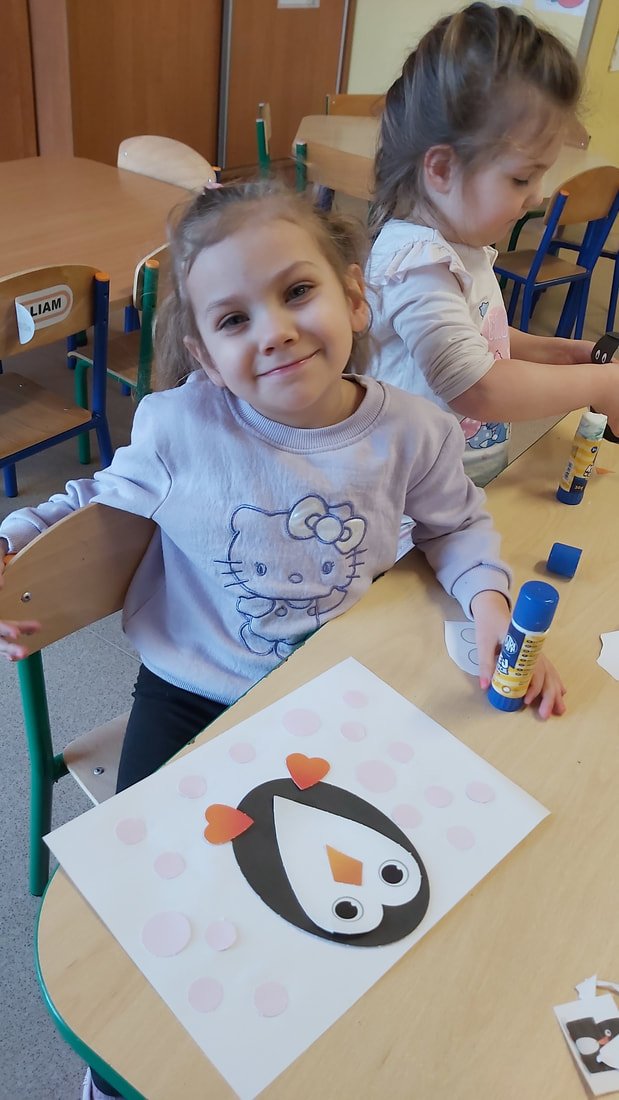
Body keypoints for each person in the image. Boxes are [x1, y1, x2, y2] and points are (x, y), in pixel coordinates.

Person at [0, 181, 564, 1096]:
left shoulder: (412, 432)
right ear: (204, 354)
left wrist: (487, 601)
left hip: (334, 691)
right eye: (234, 319)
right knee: (141, 890)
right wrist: (12, 547)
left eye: (296, 292)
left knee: (385, 888)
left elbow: (457, 526)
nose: (273, 331)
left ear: (353, 297)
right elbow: (90, 505)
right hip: (191, 692)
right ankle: (116, 1069)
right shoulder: (179, 427)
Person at [366, 1, 619, 486]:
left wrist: (560, 354)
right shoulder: (419, 265)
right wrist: (601, 382)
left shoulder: (458, 243)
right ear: (442, 168)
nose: (538, 195)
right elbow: (478, 388)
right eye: (522, 178)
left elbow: (482, 339)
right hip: (407, 505)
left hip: (457, 488)